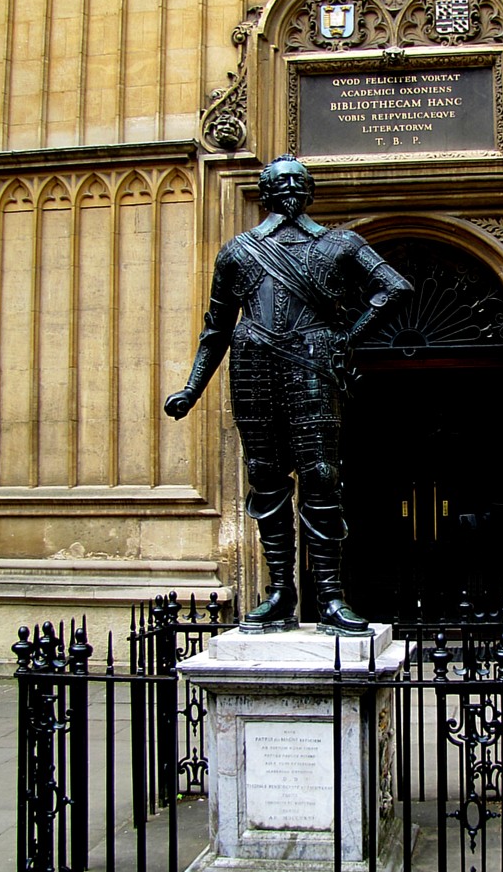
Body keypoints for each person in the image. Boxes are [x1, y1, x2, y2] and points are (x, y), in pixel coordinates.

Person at [164, 154, 411, 634]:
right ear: (265, 192)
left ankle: (331, 597)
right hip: (253, 363)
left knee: (320, 475)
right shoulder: (238, 251)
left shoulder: (340, 243)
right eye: (281, 182)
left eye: (299, 180)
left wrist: (349, 336)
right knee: (265, 476)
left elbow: (394, 286)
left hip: (312, 361)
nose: (290, 189)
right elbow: (215, 329)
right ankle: (280, 592)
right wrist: (192, 388)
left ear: (311, 190)